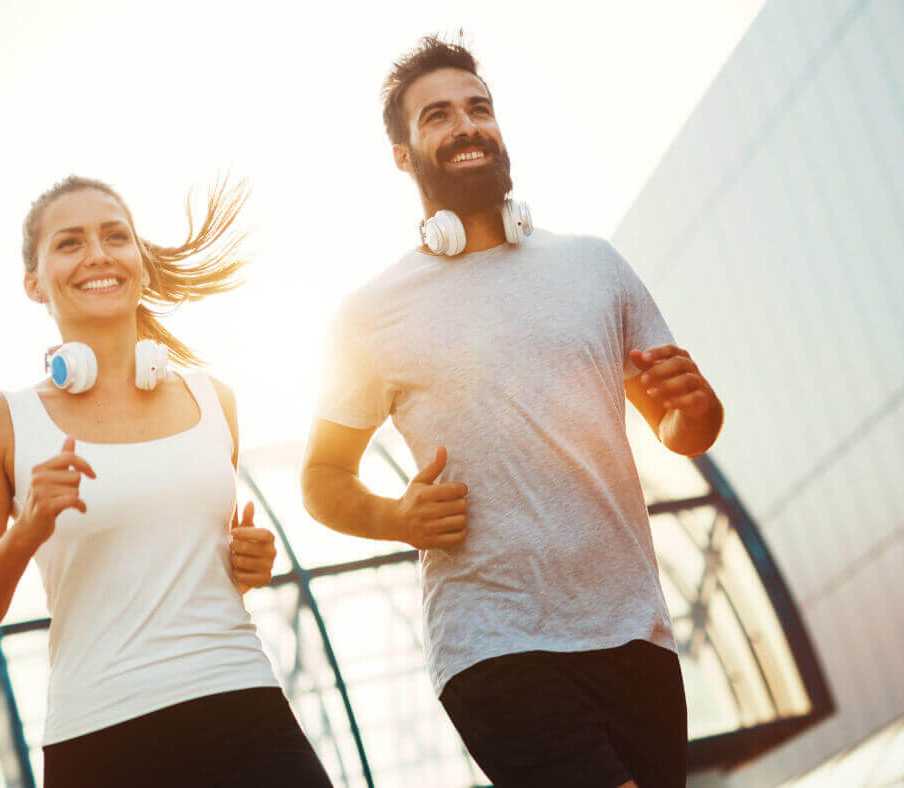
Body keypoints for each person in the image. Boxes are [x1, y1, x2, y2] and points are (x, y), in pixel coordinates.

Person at [300, 36, 724, 788]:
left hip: (634, 629)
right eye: (438, 116)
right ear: (404, 155)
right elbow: (322, 478)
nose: (466, 126)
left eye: (479, 108)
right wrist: (397, 517)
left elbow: (679, 428)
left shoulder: (594, 265)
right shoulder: (370, 313)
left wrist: (698, 412)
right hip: (493, 643)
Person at [0, 175, 332, 787]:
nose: (97, 254)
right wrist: (27, 532)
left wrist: (247, 565)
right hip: (100, 738)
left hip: (243, 706)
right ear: (33, 283)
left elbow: (182, 565)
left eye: (115, 237)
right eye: (69, 243)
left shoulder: (216, 401)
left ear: (141, 265)